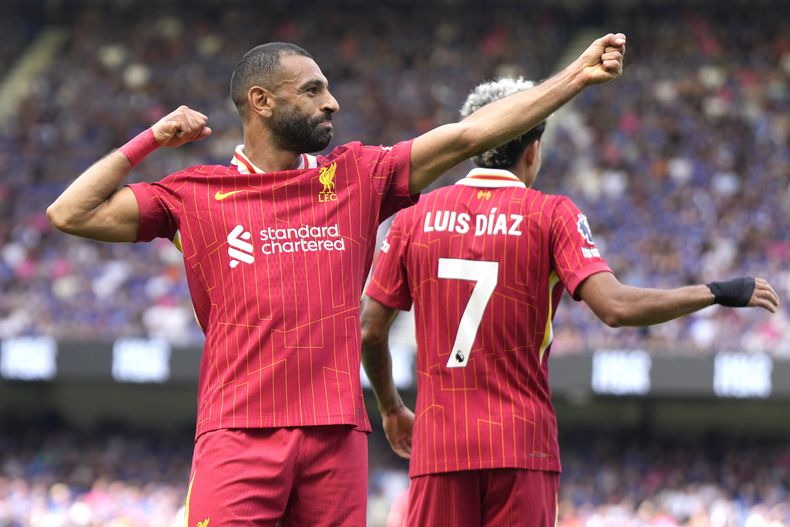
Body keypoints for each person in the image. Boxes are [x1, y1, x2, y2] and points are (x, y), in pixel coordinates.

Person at [47, 36, 626, 526]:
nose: (334, 102)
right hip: (237, 431)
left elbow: (466, 137)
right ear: (261, 101)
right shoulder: (194, 195)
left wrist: (574, 77)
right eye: (313, 91)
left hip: (337, 436)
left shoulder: (355, 177)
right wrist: (151, 139)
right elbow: (69, 213)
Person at [360, 77, 781, 527]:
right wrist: (716, 291)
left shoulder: (413, 219)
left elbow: (370, 329)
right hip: (522, 445)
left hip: (439, 446)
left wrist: (390, 407)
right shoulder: (551, 214)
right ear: (532, 150)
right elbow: (616, 308)